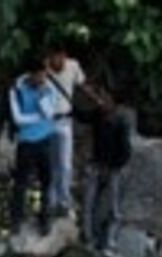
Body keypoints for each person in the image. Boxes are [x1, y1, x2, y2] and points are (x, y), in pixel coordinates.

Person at [81, 91, 135, 252]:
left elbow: (125, 150)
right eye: (101, 98)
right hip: (97, 165)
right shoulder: (97, 115)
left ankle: (109, 242)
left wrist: (114, 167)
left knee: (114, 208)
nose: (101, 102)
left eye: (105, 99)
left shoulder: (120, 122)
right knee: (89, 204)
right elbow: (82, 116)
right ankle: (89, 239)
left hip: (113, 169)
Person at [9, 64, 57, 235]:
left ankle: (44, 219)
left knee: (47, 181)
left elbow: (49, 113)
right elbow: (18, 118)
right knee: (21, 182)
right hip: (26, 141)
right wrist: (38, 117)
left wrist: (42, 96)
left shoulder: (49, 87)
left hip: (46, 139)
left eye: (44, 75)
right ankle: (16, 220)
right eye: (39, 76)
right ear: (32, 74)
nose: (42, 79)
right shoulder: (17, 88)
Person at [44, 47, 93, 216]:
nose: (57, 62)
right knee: (51, 164)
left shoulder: (73, 66)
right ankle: (50, 202)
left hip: (65, 120)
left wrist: (97, 100)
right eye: (53, 58)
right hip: (47, 121)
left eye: (60, 58)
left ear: (64, 56)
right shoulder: (43, 71)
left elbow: (82, 85)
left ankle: (64, 201)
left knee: (65, 164)